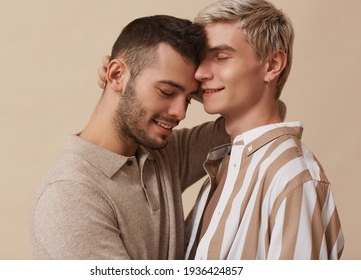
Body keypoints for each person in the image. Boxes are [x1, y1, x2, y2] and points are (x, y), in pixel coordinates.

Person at [31, 15, 229, 260]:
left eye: (188, 98)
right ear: (114, 75)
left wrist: (200, 83)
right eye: (167, 91)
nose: (181, 112)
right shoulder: (70, 197)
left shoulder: (162, 154)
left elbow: (259, 115)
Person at [184, 0, 344, 260]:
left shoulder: (292, 178)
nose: (200, 72)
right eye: (200, 59)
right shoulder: (224, 163)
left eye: (221, 57)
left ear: (272, 65)